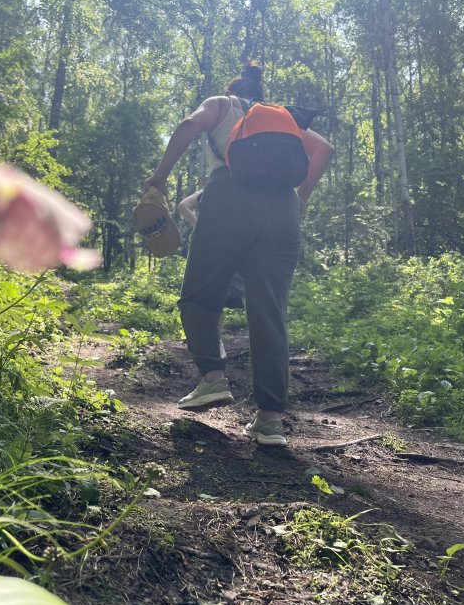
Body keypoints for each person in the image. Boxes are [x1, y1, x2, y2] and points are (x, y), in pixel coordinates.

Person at [143, 62, 334, 446]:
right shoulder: (283, 118)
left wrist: (159, 178)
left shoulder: (220, 104)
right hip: (282, 210)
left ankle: (212, 379)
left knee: (199, 296)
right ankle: (270, 422)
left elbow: (186, 126)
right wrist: (301, 198)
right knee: (269, 312)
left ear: (233, 88)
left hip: (227, 199)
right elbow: (325, 150)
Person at [178, 190, 245, 309]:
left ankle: (213, 327)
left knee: (211, 296)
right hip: (234, 242)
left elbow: (183, 206)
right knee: (243, 290)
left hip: (206, 246)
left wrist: (200, 225)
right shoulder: (239, 188)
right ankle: (257, 326)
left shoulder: (205, 191)